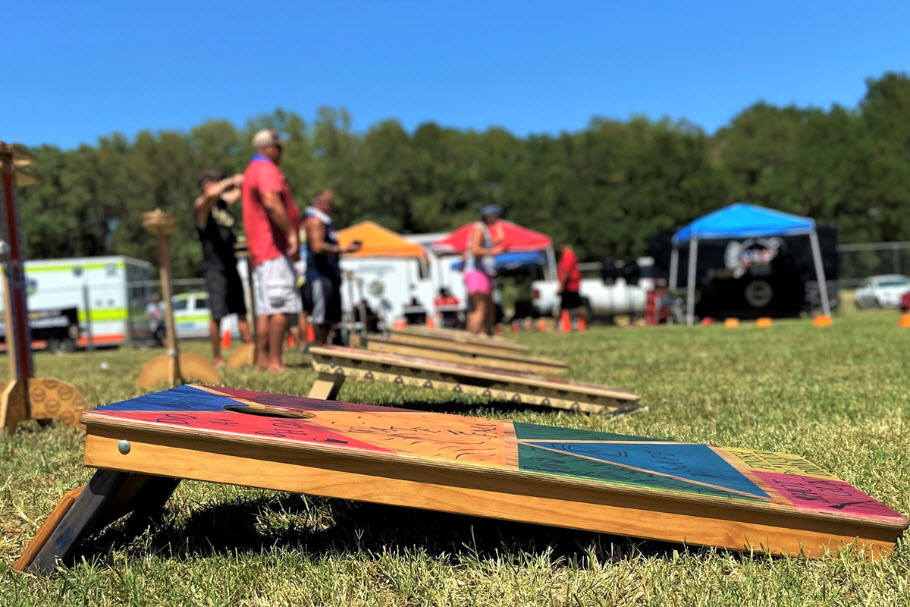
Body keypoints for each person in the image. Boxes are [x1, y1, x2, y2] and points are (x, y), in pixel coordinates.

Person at [242, 129, 301, 372]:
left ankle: (263, 360)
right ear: (268, 148)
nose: (281, 152)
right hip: (273, 248)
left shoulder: (252, 169)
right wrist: (290, 232)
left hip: (263, 251)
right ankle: (276, 361)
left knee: (267, 309)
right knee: (279, 308)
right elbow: (271, 201)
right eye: (279, 147)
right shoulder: (265, 169)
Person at [194, 170, 253, 367]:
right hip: (214, 269)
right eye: (215, 183)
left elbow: (237, 192)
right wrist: (231, 180)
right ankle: (217, 358)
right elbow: (210, 195)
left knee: (241, 312)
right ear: (205, 186)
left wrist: (245, 179)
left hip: (231, 265)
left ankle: (249, 351)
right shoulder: (201, 207)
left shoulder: (222, 205)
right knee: (217, 315)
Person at [302, 190, 361, 345]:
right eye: (329, 203)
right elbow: (317, 246)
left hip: (331, 275)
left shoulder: (327, 222)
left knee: (332, 316)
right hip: (319, 275)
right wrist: (343, 249)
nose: (332, 206)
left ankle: (326, 346)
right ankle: (319, 347)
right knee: (320, 317)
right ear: (320, 203)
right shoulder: (315, 221)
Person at [463, 205, 505, 335]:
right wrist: (493, 252)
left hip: (479, 272)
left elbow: (497, 240)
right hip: (477, 272)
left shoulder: (483, 228)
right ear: (490, 216)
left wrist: (498, 230)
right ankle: (472, 341)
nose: (497, 219)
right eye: (496, 217)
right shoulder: (479, 228)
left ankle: (485, 336)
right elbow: (475, 250)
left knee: (483, 308)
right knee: (480, 309)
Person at [556, 241, 586, 325]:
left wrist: (561, 286)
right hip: (570, 285)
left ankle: (556, 326)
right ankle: (583, 324)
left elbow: (566, 271)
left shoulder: (567, 255)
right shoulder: (568, 255)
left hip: (569, 286)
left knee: (565, 307)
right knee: (575, 305)